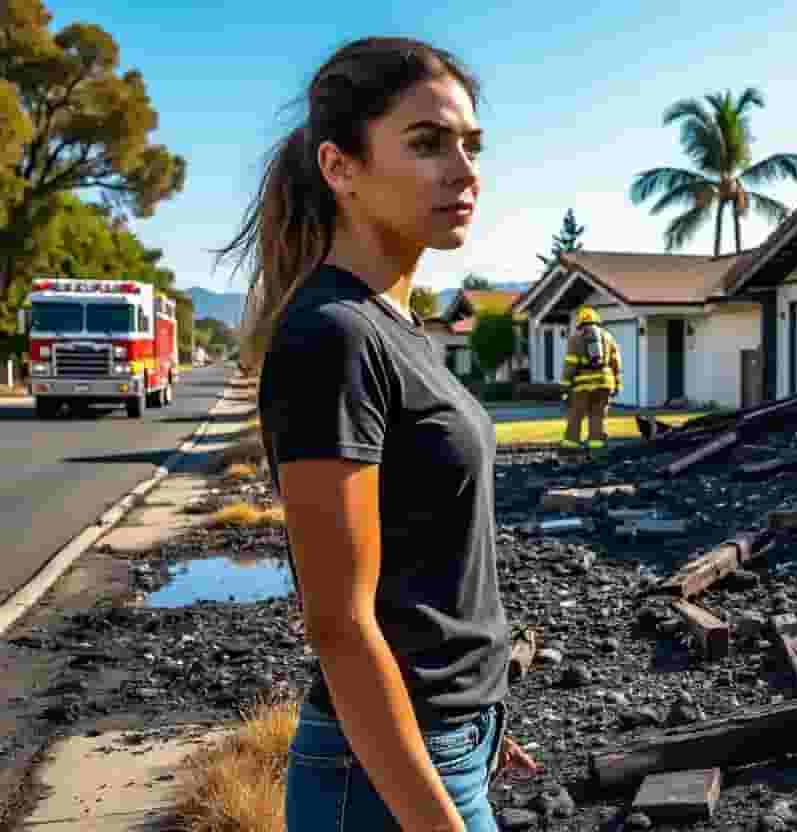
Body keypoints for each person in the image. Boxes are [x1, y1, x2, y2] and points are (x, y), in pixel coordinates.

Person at [218, 37, 539, 832]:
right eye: (427, 144)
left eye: (472, 145)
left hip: (440, 745)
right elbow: (340, 623)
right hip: (381, 781)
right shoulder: (333, 336)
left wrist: (479, 716)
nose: (463, 169)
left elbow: (426, 571)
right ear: (340, 168)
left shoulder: (392, 328)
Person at [561, 306, 622, 449]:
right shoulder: (608, 337)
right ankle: (596, 449)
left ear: (580, 322)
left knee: (576, 416)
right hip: (604, 384)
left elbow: (570, 364)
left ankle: (571, 447)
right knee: (598, 417)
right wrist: (617, 384)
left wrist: (564, 386)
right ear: (597, 321)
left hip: (582, 386)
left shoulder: (575, 338)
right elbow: (616, 363)